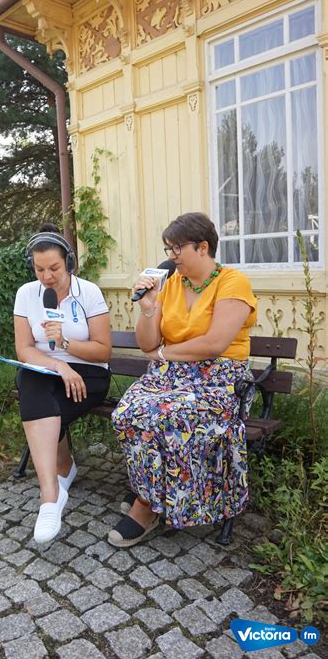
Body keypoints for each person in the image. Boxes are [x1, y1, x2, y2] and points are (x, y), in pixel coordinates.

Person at [109, 212, 257, 548]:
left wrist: (163, 355)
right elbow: (147, 343)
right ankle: (151, 489)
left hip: (219, 380)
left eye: (177, 249)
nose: (171, 256)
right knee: (128, 413)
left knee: (164, 416)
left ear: (202, 247)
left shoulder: (232, 282)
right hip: (171, 376)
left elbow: (215, 343)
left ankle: (145, 507)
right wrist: (148, 308)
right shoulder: (170, 283)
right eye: (168, 249)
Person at [14, 224, 111, 544]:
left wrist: (66, 345)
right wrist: (58, 365)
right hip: (47, 372)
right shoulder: (26, 294)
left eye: (54, 268)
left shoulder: (89, 292)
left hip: (90, 375)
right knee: (29, 377)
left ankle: (65, 468)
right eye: (39, 269)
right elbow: (25, 349)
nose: (46, 277)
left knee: (38, 402)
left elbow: (103, 350)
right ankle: (50, 497)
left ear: (68, 263)